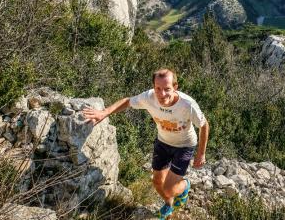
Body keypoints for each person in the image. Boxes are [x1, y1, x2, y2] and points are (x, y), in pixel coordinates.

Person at [83, 68, 210, 219]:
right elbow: (128, 101)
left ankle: (185, 186)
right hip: (163, 142)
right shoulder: (149, 97)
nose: (162, 94)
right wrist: (104, 112)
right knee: (157, 182)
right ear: (153, 86)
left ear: (175, 87)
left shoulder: (187, 105)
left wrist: (201, 153)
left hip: (184, 146)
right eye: (158, 88)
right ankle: (169, 205)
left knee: (169, 189)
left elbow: (204, 125)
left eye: (167, 89)